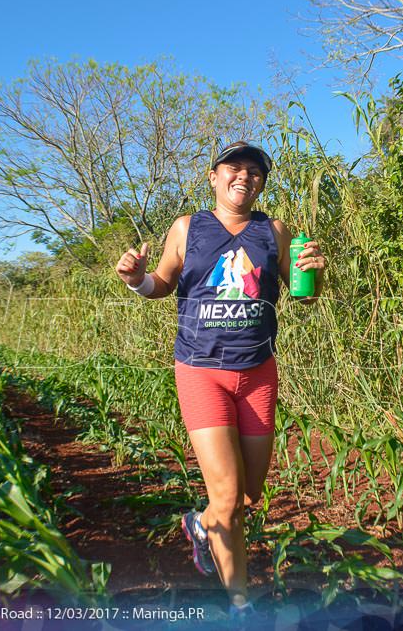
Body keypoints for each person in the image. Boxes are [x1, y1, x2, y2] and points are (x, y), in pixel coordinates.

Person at [113, 141, 326, 619]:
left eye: (255, 171)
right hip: (200, 371)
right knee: (228, 498)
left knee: (248, 494)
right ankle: (240, 605)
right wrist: (136, 279)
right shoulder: (188, 227)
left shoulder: (274, 231)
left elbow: (300, 294)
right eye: (234, 168)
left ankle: (200, 522)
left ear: (261, 184)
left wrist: (312, 277)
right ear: (214, 176)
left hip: (257, 373)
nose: (244, 177)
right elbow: (161, 285)